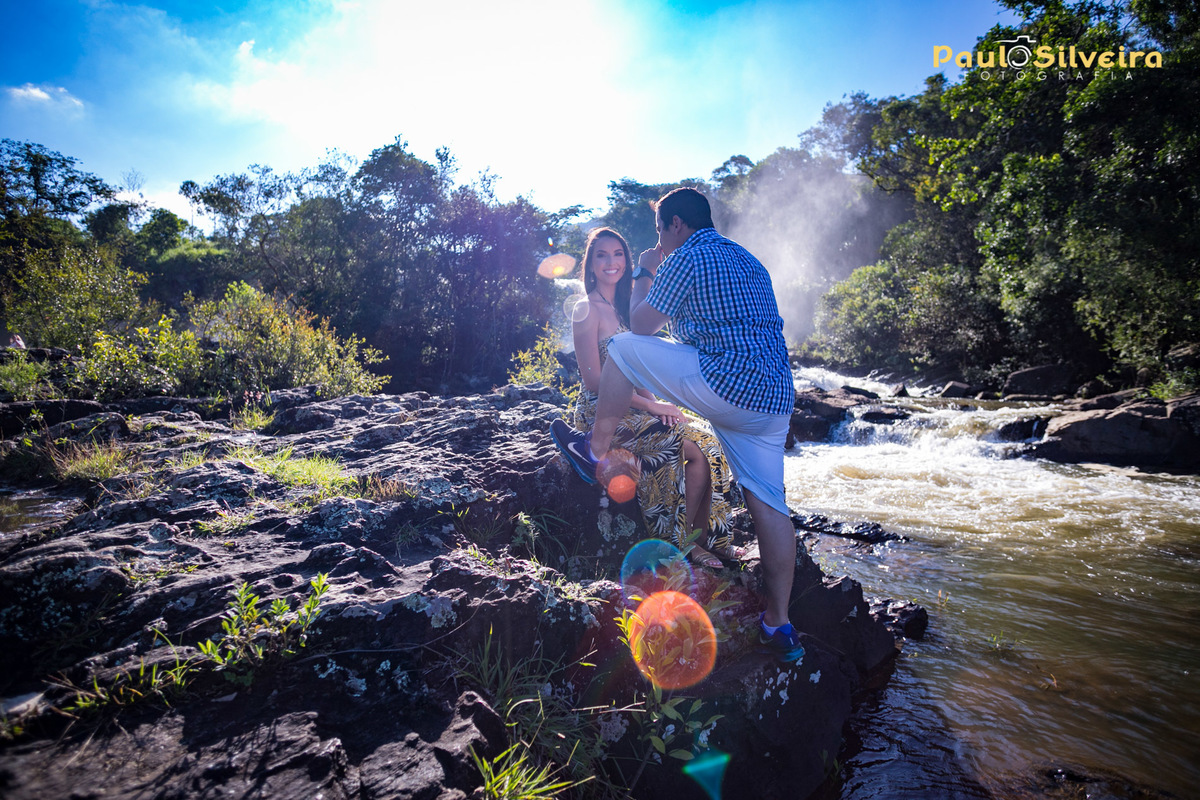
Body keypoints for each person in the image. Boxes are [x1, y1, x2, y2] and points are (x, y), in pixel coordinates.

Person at [550, 189, 802, 661]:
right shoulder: (747, 259)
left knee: (624, 348)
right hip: (774, 398)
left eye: (660, 232)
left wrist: (647, 268)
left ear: (676, 225)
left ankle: (593, 449)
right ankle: (779, 625)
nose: (659, 241)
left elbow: (641, 326)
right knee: (770, 503)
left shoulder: (686, 255)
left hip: (727, 383)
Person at [568, 227, 739, 568]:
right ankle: (673, 545)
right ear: (590, 265)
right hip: (601, 412)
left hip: (635, 406)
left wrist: (661, 406)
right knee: (673, 443)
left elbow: (638, 369)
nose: (611, 262)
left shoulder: (628, 309)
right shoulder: (585, 310)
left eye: (618, 254)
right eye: (601, 255)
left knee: (708, 443)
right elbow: (593, 381)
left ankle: (698, 538)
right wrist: (650, 405)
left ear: (626, 260)